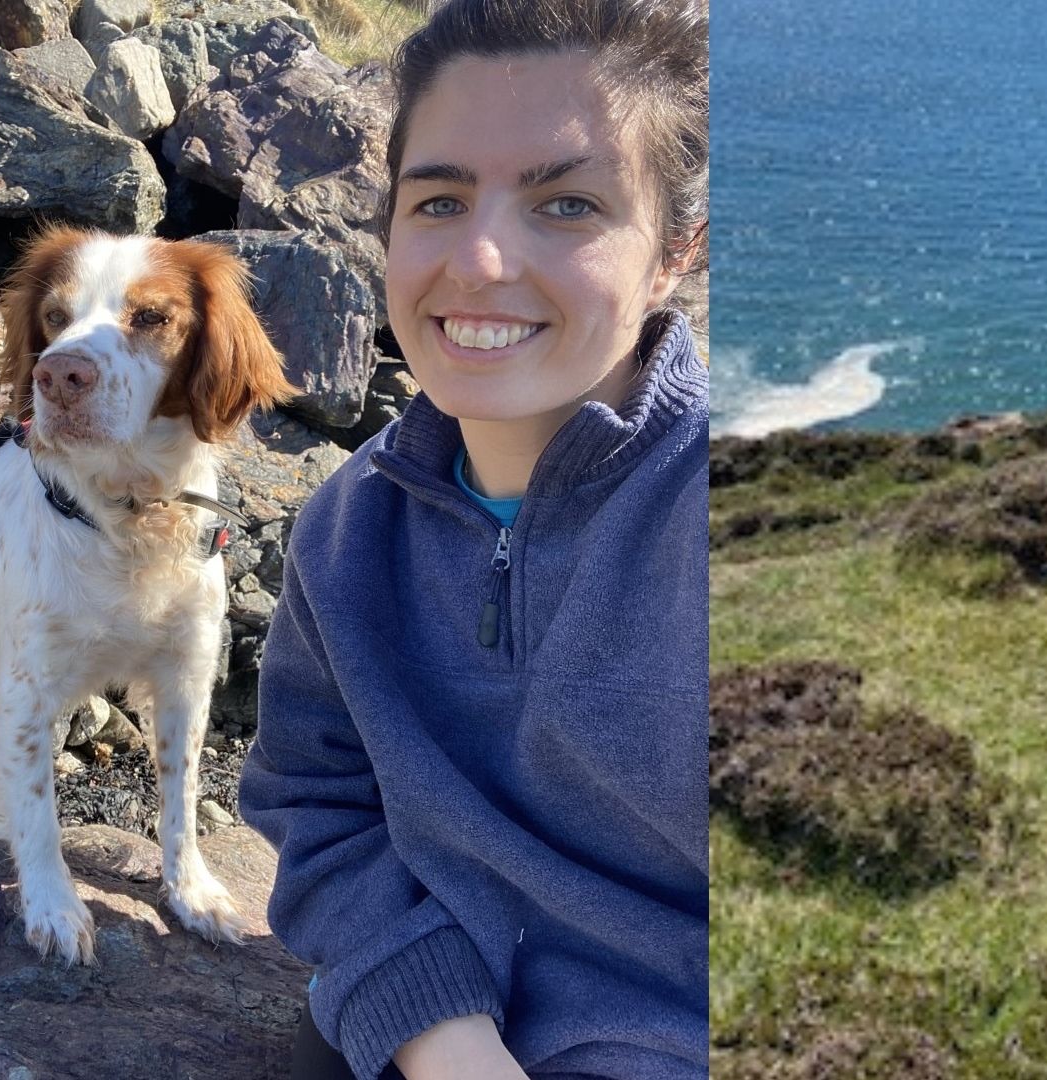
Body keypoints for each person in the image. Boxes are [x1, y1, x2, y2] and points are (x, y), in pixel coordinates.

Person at [238, 0, 709, 1077]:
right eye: (441, 199)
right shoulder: (349, 530)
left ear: (674, 253)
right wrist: (438, 1032)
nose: (483, 258)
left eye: (569, 204)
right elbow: (317, 803)